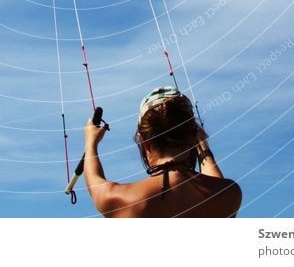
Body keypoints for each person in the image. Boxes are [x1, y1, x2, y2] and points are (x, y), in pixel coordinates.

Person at [83, 86, 242, 218]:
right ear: (193, 136)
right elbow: (213, 178)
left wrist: (91, 142)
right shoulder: (229, 194)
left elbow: (95, 182)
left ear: (144, 142)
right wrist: (202, 145)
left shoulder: (122, 199)